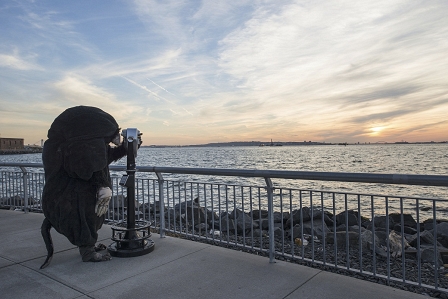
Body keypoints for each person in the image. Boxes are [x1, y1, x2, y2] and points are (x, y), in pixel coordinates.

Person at [40, 106, 129, 268]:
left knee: (89, 214)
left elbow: (101, 158)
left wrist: (125, 149)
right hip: (75, 194)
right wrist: (102, 184)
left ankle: (88, 245)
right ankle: (87, 251)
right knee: (82, 213)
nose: (115, 137)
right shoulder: (75, 148)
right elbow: (88, 163)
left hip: (79, 191)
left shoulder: (74, 146)